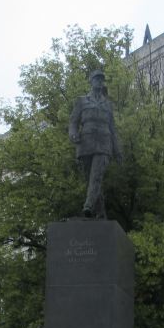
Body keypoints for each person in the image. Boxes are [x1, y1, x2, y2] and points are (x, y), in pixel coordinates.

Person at [68, 69, 122, 218]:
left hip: (104, 144)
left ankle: (88, 206)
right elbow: (73, 122)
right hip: (85, 143)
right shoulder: (81, 101)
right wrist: (73, 134)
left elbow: (112, 128)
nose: (99, 82)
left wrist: (117, 150)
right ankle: (101, 214)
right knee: (91, 180)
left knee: (96, 177)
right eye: (97, 79)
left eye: (101, 80)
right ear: (91, 81)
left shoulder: (108, 105)